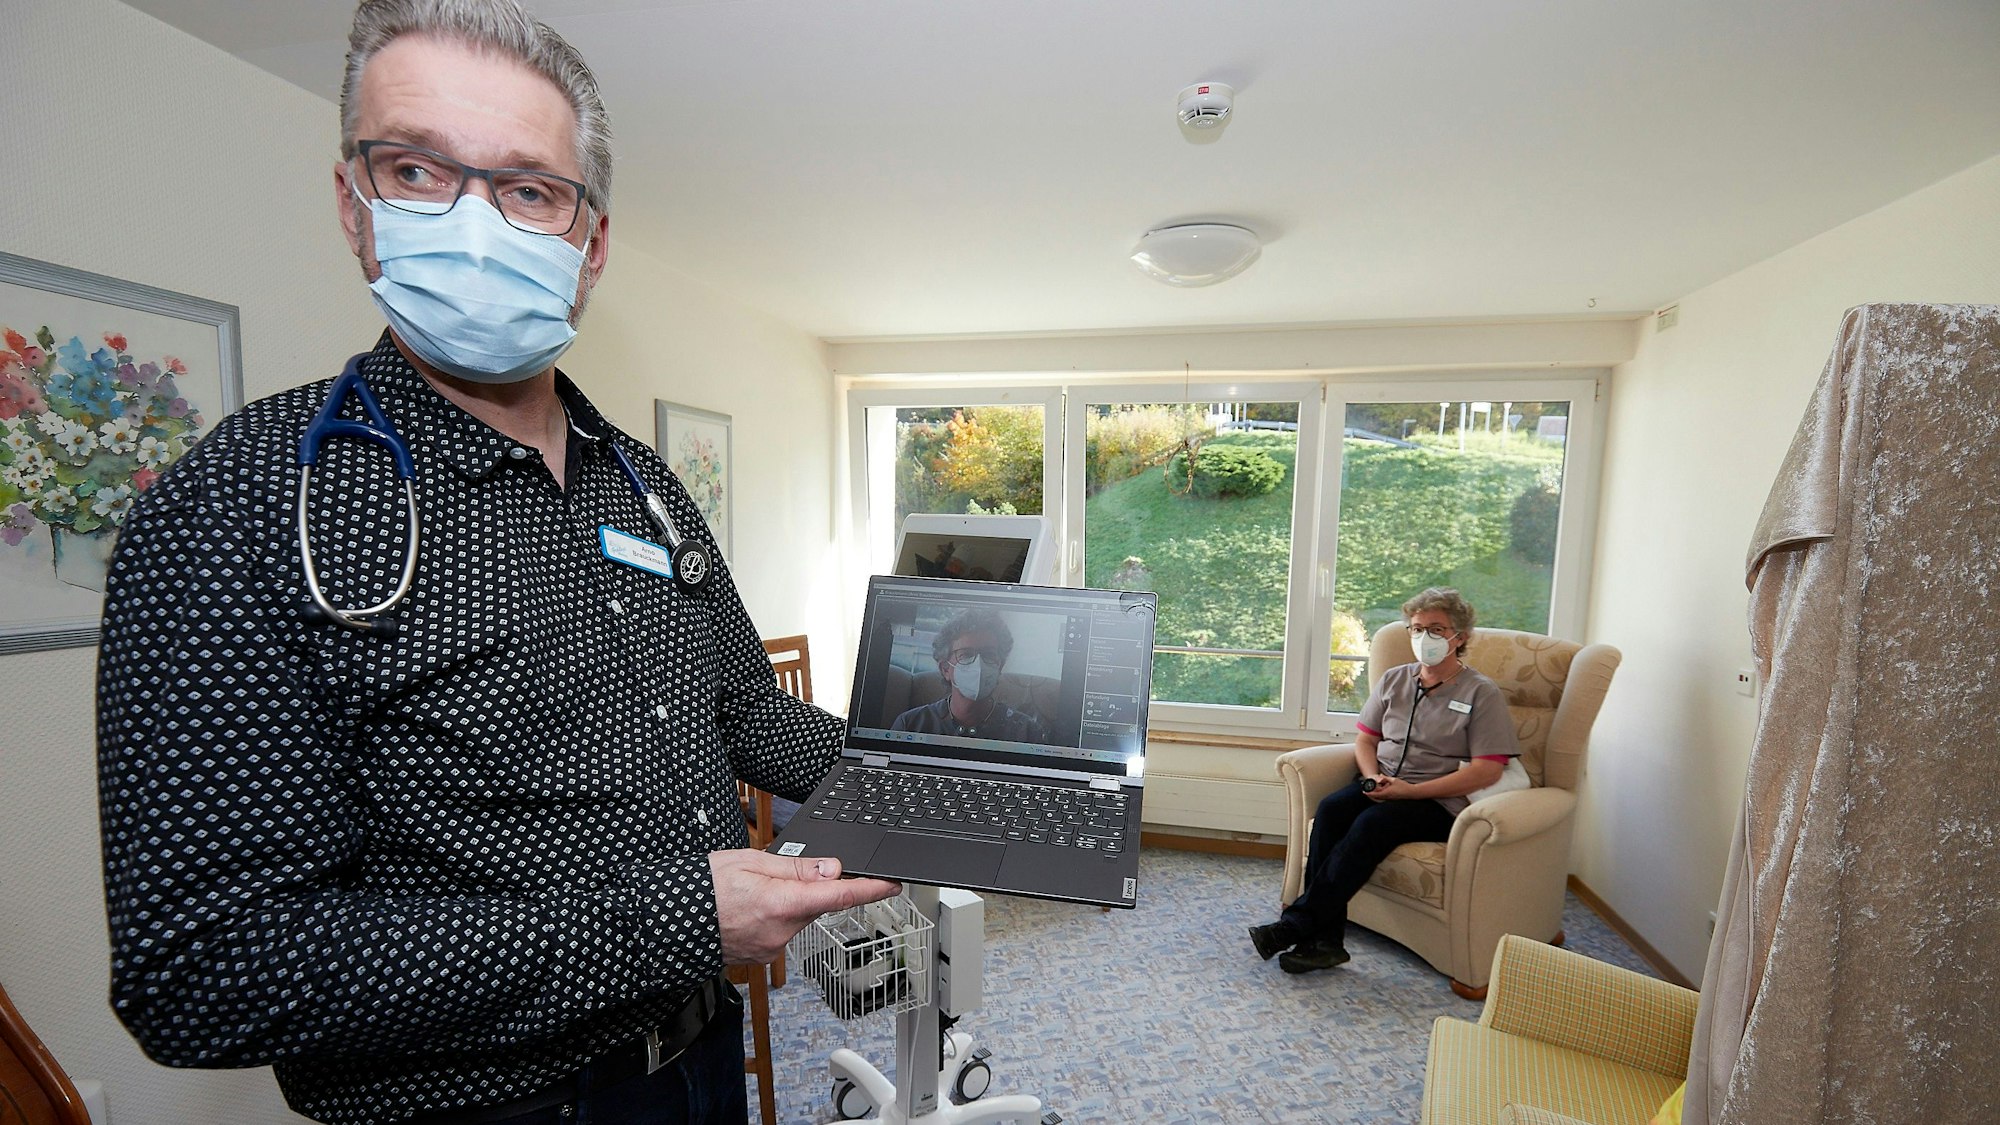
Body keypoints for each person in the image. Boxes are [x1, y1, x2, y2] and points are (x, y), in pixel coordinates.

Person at [93, 3, 897, 1123]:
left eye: (526, 190)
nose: (475, 221)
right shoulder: (241, 504)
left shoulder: (644, 486)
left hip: (700, 1064)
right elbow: (210, 970)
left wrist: (941, 784)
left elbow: (744, 714)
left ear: (589, 241)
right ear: (353, 204)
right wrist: (669, 921)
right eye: (419, 171)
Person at [1247, 587, 1520, 974]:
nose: (1425, 637)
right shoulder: (1396, 679)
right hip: (1384, 784)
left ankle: (1296, 925)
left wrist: (1412, 791)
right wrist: (1374, 776)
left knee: (1372, 825)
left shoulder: (1481, 693)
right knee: (1331, 810)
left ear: (1460, 637)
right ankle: (1325, 942)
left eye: (1437, 629)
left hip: (1438, 800)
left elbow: (1487, 770)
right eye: (1417, 628)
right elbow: (1366, 739)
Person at [889, 608, 1052, 745]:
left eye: (988, 654)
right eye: (966, 654)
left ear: (1000, 666)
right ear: (945, 669)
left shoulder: (1027, 731)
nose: (979, 665)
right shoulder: (911, 724)